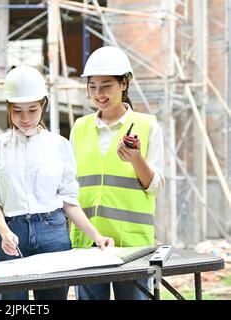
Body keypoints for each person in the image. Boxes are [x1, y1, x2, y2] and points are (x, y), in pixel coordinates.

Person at [0, 65, 114, 300]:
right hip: (10, 232)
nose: (25, 118)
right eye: (17, 111)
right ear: (9, 109)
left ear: (43, 104)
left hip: (53, 233)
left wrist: (96, 236)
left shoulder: (59, 145)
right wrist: (4, 231)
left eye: (32, 110)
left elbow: (69, 200)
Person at [70, 46, 165, 300]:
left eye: (106, 86)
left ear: (124, 83)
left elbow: (155, 186)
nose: (98, 94)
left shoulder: (147, 125)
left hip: (132, 245)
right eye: (92, 87)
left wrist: (136, 160)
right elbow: (69, 184)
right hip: (88, 242)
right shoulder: (80, 127)